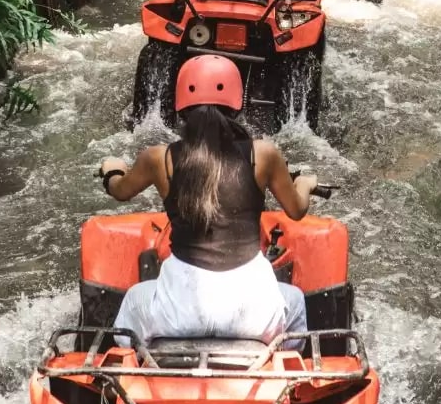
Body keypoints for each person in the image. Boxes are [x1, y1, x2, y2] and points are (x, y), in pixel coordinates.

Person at [97, 56, 317, 342]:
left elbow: (120, 190)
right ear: (237, 105)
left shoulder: (158, 159)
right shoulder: (264, 155)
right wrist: (304, 183)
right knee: (296, 299)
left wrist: (112, 168)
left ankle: (133, 367)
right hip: (253, 318)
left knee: (133, 300)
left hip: (178, 315)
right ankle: (287, 372)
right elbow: (297, 210)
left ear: (180, 108)